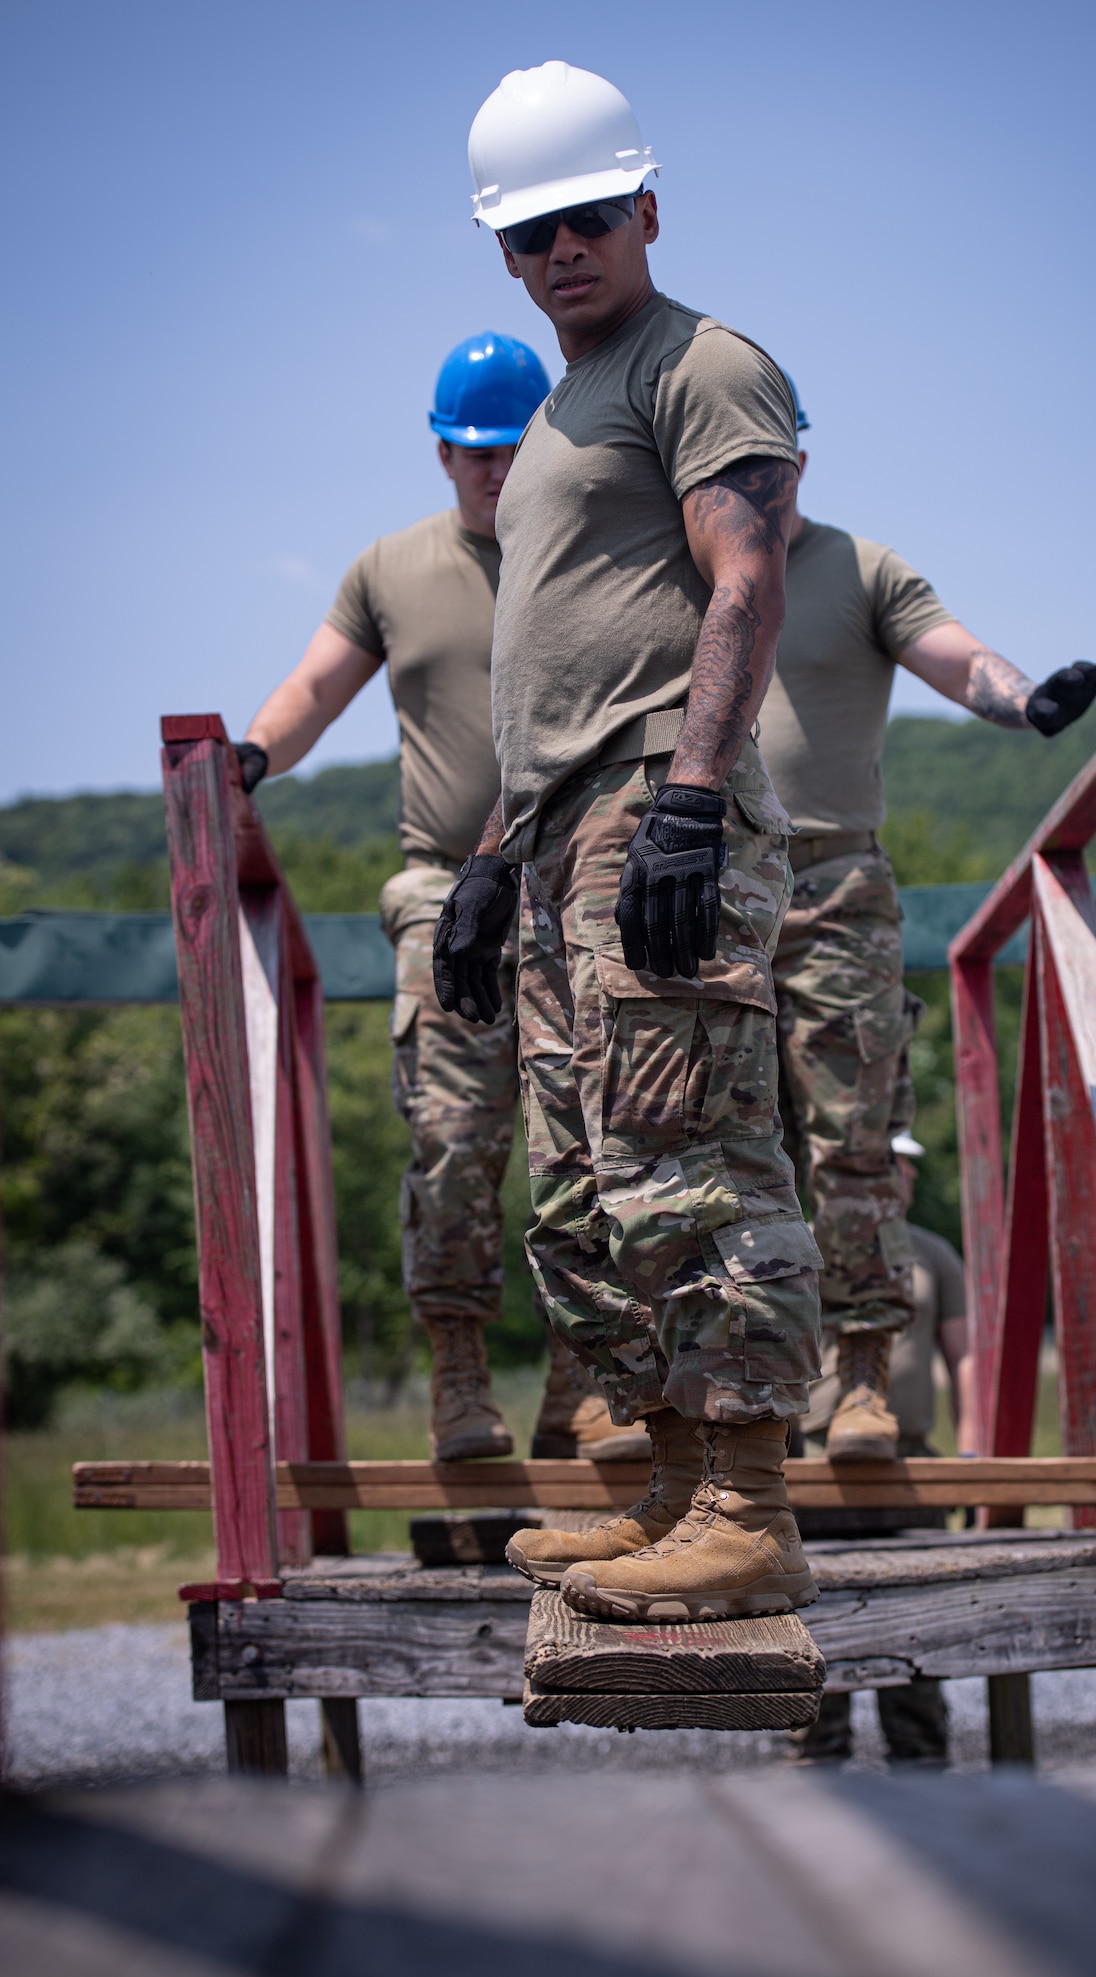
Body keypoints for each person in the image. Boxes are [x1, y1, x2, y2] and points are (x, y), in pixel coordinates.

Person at [434, 60, 824, 1621]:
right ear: (505, 257)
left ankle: (749, 1506)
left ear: (647, 209)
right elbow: (542, 677)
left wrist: (690, 797)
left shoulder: (701, 364)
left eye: (588, 219)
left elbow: (744, 579)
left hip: (656, 809)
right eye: (530, 237)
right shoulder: (542, 428)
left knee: (696, 1158)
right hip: (554, 837)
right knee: (595, 1184)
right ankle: (674, 1482)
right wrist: (481, 860)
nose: (561, 253)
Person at [767, 388, 1096, 1458]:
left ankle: (865, 1380)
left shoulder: (859, 568)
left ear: (799, 462)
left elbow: (953, 653)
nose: (750, 473)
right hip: (705, 887)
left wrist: (1021, 701)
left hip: (834, 884)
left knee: (854, 1140)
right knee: (725, 1153)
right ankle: (752, 1395)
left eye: (769, 453)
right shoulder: (668, 570)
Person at [234, 331, 550, 1462]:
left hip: (575, 876)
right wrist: (252, 757)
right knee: (456, 1134)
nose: (496, 470)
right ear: (441, 451)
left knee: (595, 1135)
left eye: (515, 446)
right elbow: (315, 686)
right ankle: (460, 1379)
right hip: (441, 888)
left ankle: (589, 1379)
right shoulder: (390, 568)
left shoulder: (590, 552)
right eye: (475, 451)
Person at [789, 1131, 977, 1765]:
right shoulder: (807, 1251)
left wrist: (974, 1454)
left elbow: (965, 1358)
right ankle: (818, 1768)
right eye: (891, 1163)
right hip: (822, 1467)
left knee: (918, 1631)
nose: (904, 1178)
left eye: (909, 1168)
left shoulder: (932, 1256)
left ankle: (921, 1761)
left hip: (913, 1462)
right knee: (817, 1637)